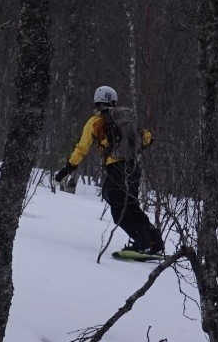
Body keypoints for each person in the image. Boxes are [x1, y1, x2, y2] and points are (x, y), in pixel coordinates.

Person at [54, 86, 166, 256]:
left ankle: (143, 244)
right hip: (133, 168)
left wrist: (67, 169)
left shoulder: (95, 122)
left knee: (119, 211)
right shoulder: (125, 118)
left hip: (116, 169)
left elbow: (82, 148)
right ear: (113, 101)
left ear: (97, 101)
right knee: (132, 207)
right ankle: (155, 243)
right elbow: (148, 138)